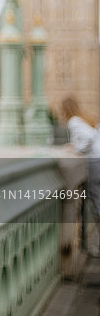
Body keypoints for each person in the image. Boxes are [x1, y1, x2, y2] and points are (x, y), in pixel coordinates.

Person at [60, 96, 100, 256]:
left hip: (94, 163)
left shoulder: (74, 121)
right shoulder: (84, 118)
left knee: (96, 202)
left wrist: (77, 150)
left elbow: (88, 138)